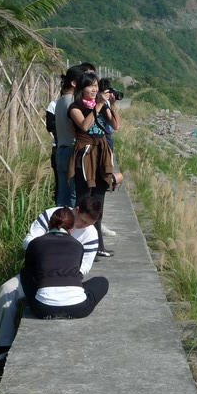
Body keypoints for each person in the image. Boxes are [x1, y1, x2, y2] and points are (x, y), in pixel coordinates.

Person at [0, 196, 103, 360]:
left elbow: (85, 267)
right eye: (82, 221)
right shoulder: (52, 215)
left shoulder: (91, 234)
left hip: (66, 276)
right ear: (77, 209)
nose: (83, 226)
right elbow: (29, 240)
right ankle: (2, 346)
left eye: (88, 224)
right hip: (39, 271)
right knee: (7, 289)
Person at [67, 72, 123, 256]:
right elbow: (84, 126)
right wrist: (98, 105)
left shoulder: (102, 105)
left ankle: (98, 245)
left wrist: (112, 105)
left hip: (101, 154)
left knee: (99, 201)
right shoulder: (75, 107)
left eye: (96, 85)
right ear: (81, 88)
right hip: (85, 156)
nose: (94, 89)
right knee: (83, 200)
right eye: (90, 86)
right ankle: (75, 243)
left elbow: (115, 126)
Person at [20, 207, 108, 321]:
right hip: (77, 308)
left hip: (43, 309)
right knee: (102, 281)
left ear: (49, 225)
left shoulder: (35, 243)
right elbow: (78, 270)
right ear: (71, 229)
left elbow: (30, 270)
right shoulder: (78, 245)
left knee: (25, 272)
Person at [54, 65, 84, 206]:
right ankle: (73, 226)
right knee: (74, 195)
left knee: (62, 194)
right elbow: (82, 127)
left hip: (60, 150)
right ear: (74, 83)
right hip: (72, 151)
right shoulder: (73, 102)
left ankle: (60, 225)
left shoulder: (60, 100)